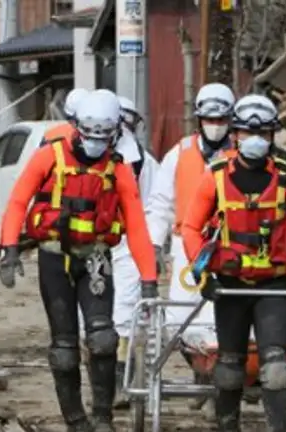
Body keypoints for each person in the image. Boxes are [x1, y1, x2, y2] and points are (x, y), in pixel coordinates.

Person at [0, 89, 158, 432]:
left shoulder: (118, 169)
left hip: (96, 259)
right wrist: (9, 249)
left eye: (105, 136)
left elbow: (136, 225)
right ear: (76, 128)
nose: (97, 143)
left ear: (115, 132)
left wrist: (149, 278)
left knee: (103, 339)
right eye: (90, 134)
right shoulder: (48, 157)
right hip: (54, 257)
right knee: (64, 346)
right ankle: (75, 422)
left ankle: (103, 416)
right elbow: (18, 201)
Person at [181, 94, 286, 432]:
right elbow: (190, 228)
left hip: (273, 286)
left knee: (276, 365)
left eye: (263, 131)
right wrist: (204, 275)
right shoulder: (214, 177)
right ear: (236, 133)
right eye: (248, 131)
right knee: (229, 367)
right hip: (230, 286)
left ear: (273, 134)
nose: (256, 137)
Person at [145, 83, 238, 340]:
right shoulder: (180, 153)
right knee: (180, 319)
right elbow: (161, 203)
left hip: (230, 246)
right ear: (199, 119)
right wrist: (153, 245)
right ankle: (196, 359)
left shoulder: (242, 155)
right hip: (187, 247)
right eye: (210, 119)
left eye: (221, 119)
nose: (215, 124)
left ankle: (216, 368)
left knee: (218, 318)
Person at [110, 94, 160, 407]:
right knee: (94, 321)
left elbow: (155, 206)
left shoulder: (144, 161)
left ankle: (121, 383)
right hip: (96, 244)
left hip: (130, 244)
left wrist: (152, 250)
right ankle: (104, 382)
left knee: (126, 314)